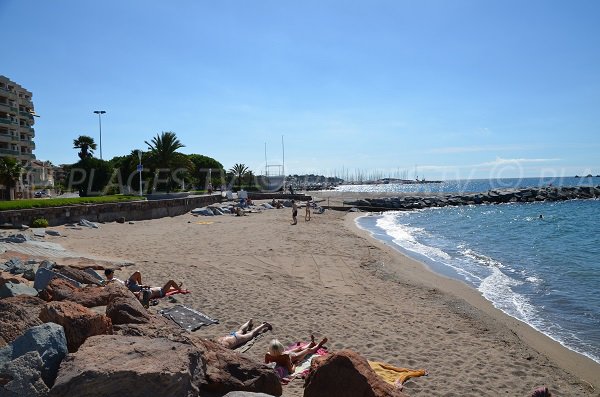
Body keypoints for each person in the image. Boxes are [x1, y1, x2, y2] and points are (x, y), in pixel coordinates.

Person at [104, 269, 182, 300]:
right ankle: (179, 289)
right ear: (110, 274)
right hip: (130, 286)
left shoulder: (111, 280)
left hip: (129, 283)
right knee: (171, 281)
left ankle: (177, 288)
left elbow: (166, 289)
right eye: (112, 273)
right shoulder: (111, 281)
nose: (113, 273)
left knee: (137, 273)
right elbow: (108, 284)